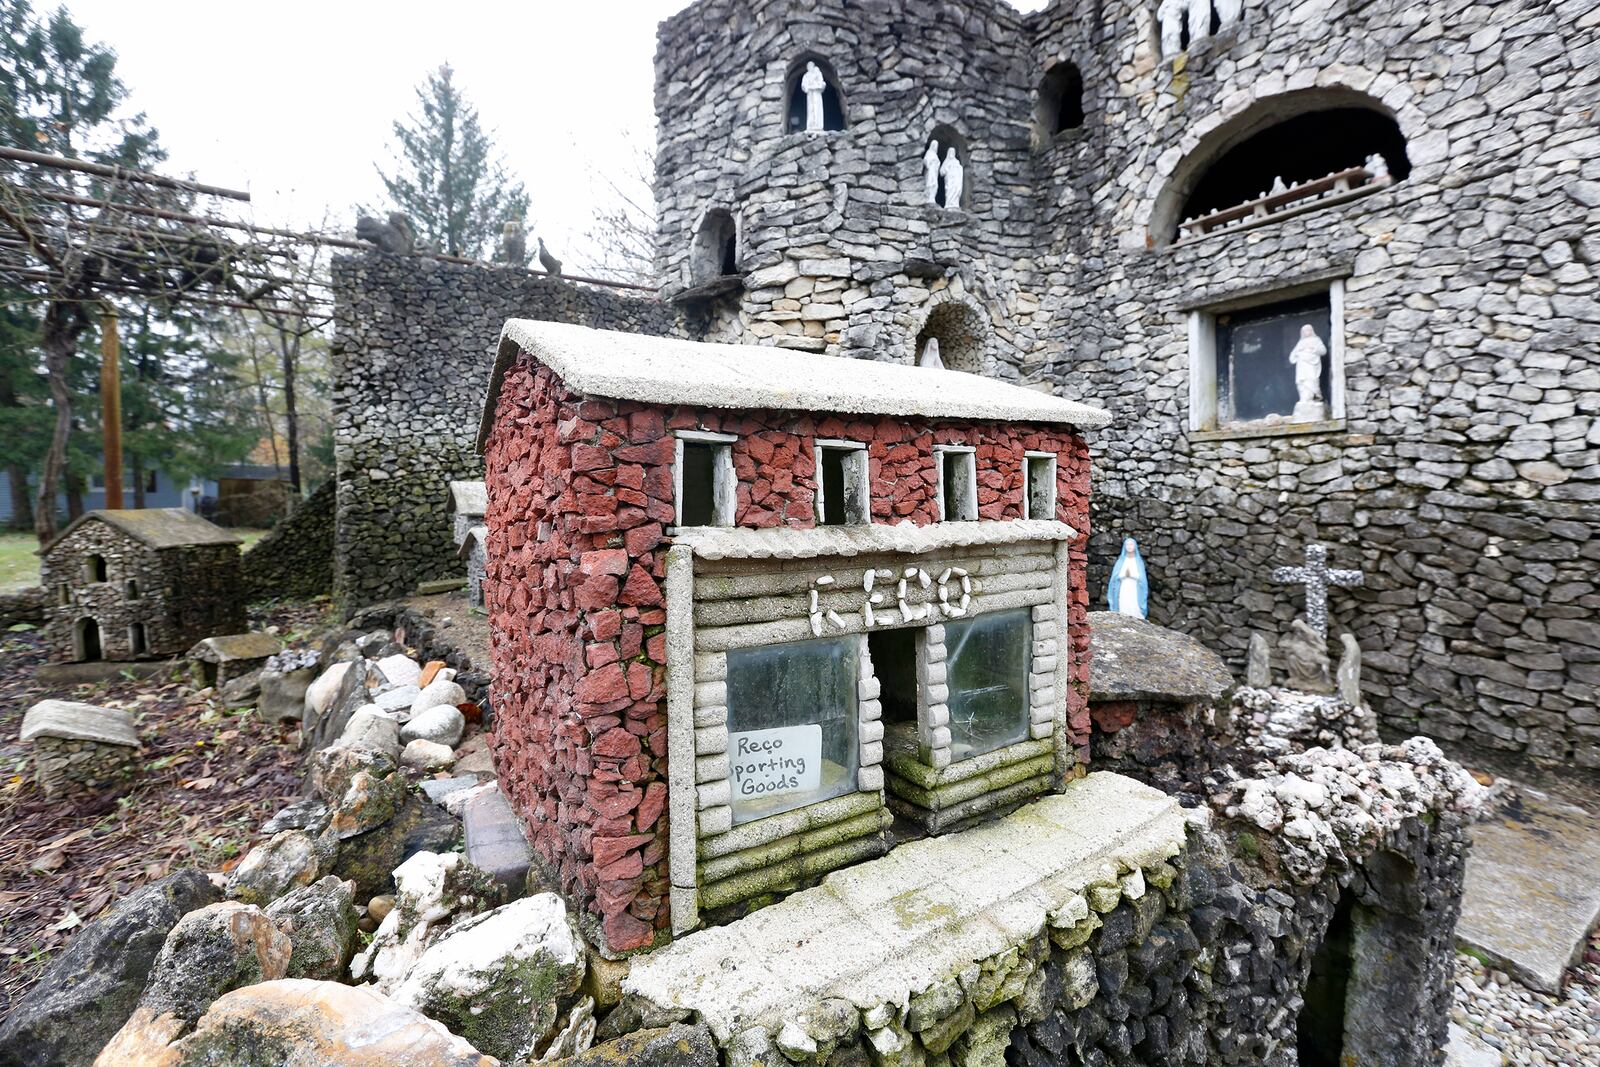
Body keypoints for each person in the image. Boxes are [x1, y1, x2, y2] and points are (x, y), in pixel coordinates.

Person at [1107, 537, 1148, 620]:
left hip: (1135, 588)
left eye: (1131, 544)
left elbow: (1142, 578)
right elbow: (1115, 577)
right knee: (1123, 602)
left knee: (1134, 604)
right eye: (1127, 544)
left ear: (1135, 546)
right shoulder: (1121, 561)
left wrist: (1132, 575)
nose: (1129, 546)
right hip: (1123, 587)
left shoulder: (1138, 561)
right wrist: (1123, 575)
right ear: (1124, 547)